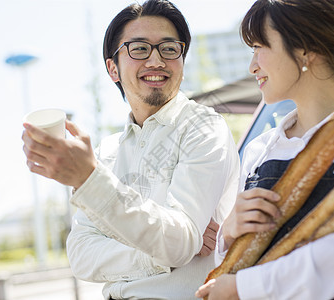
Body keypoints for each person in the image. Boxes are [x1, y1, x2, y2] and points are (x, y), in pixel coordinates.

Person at [22, 0, 239, 299]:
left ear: (182, 62)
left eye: (169, 48)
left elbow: (178, 242)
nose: (156, 60)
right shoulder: (105, 150)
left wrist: (92, 181)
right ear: (113, 68)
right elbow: (81, 255)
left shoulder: (204, 128)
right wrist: (155, 254)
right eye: (139, 49)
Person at [196, 0, 334, 299]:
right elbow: (232, 263)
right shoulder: (259, 150)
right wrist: (229, 232)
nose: (252, 65)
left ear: (306, 48)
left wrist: (244, 287)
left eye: (259, 47)